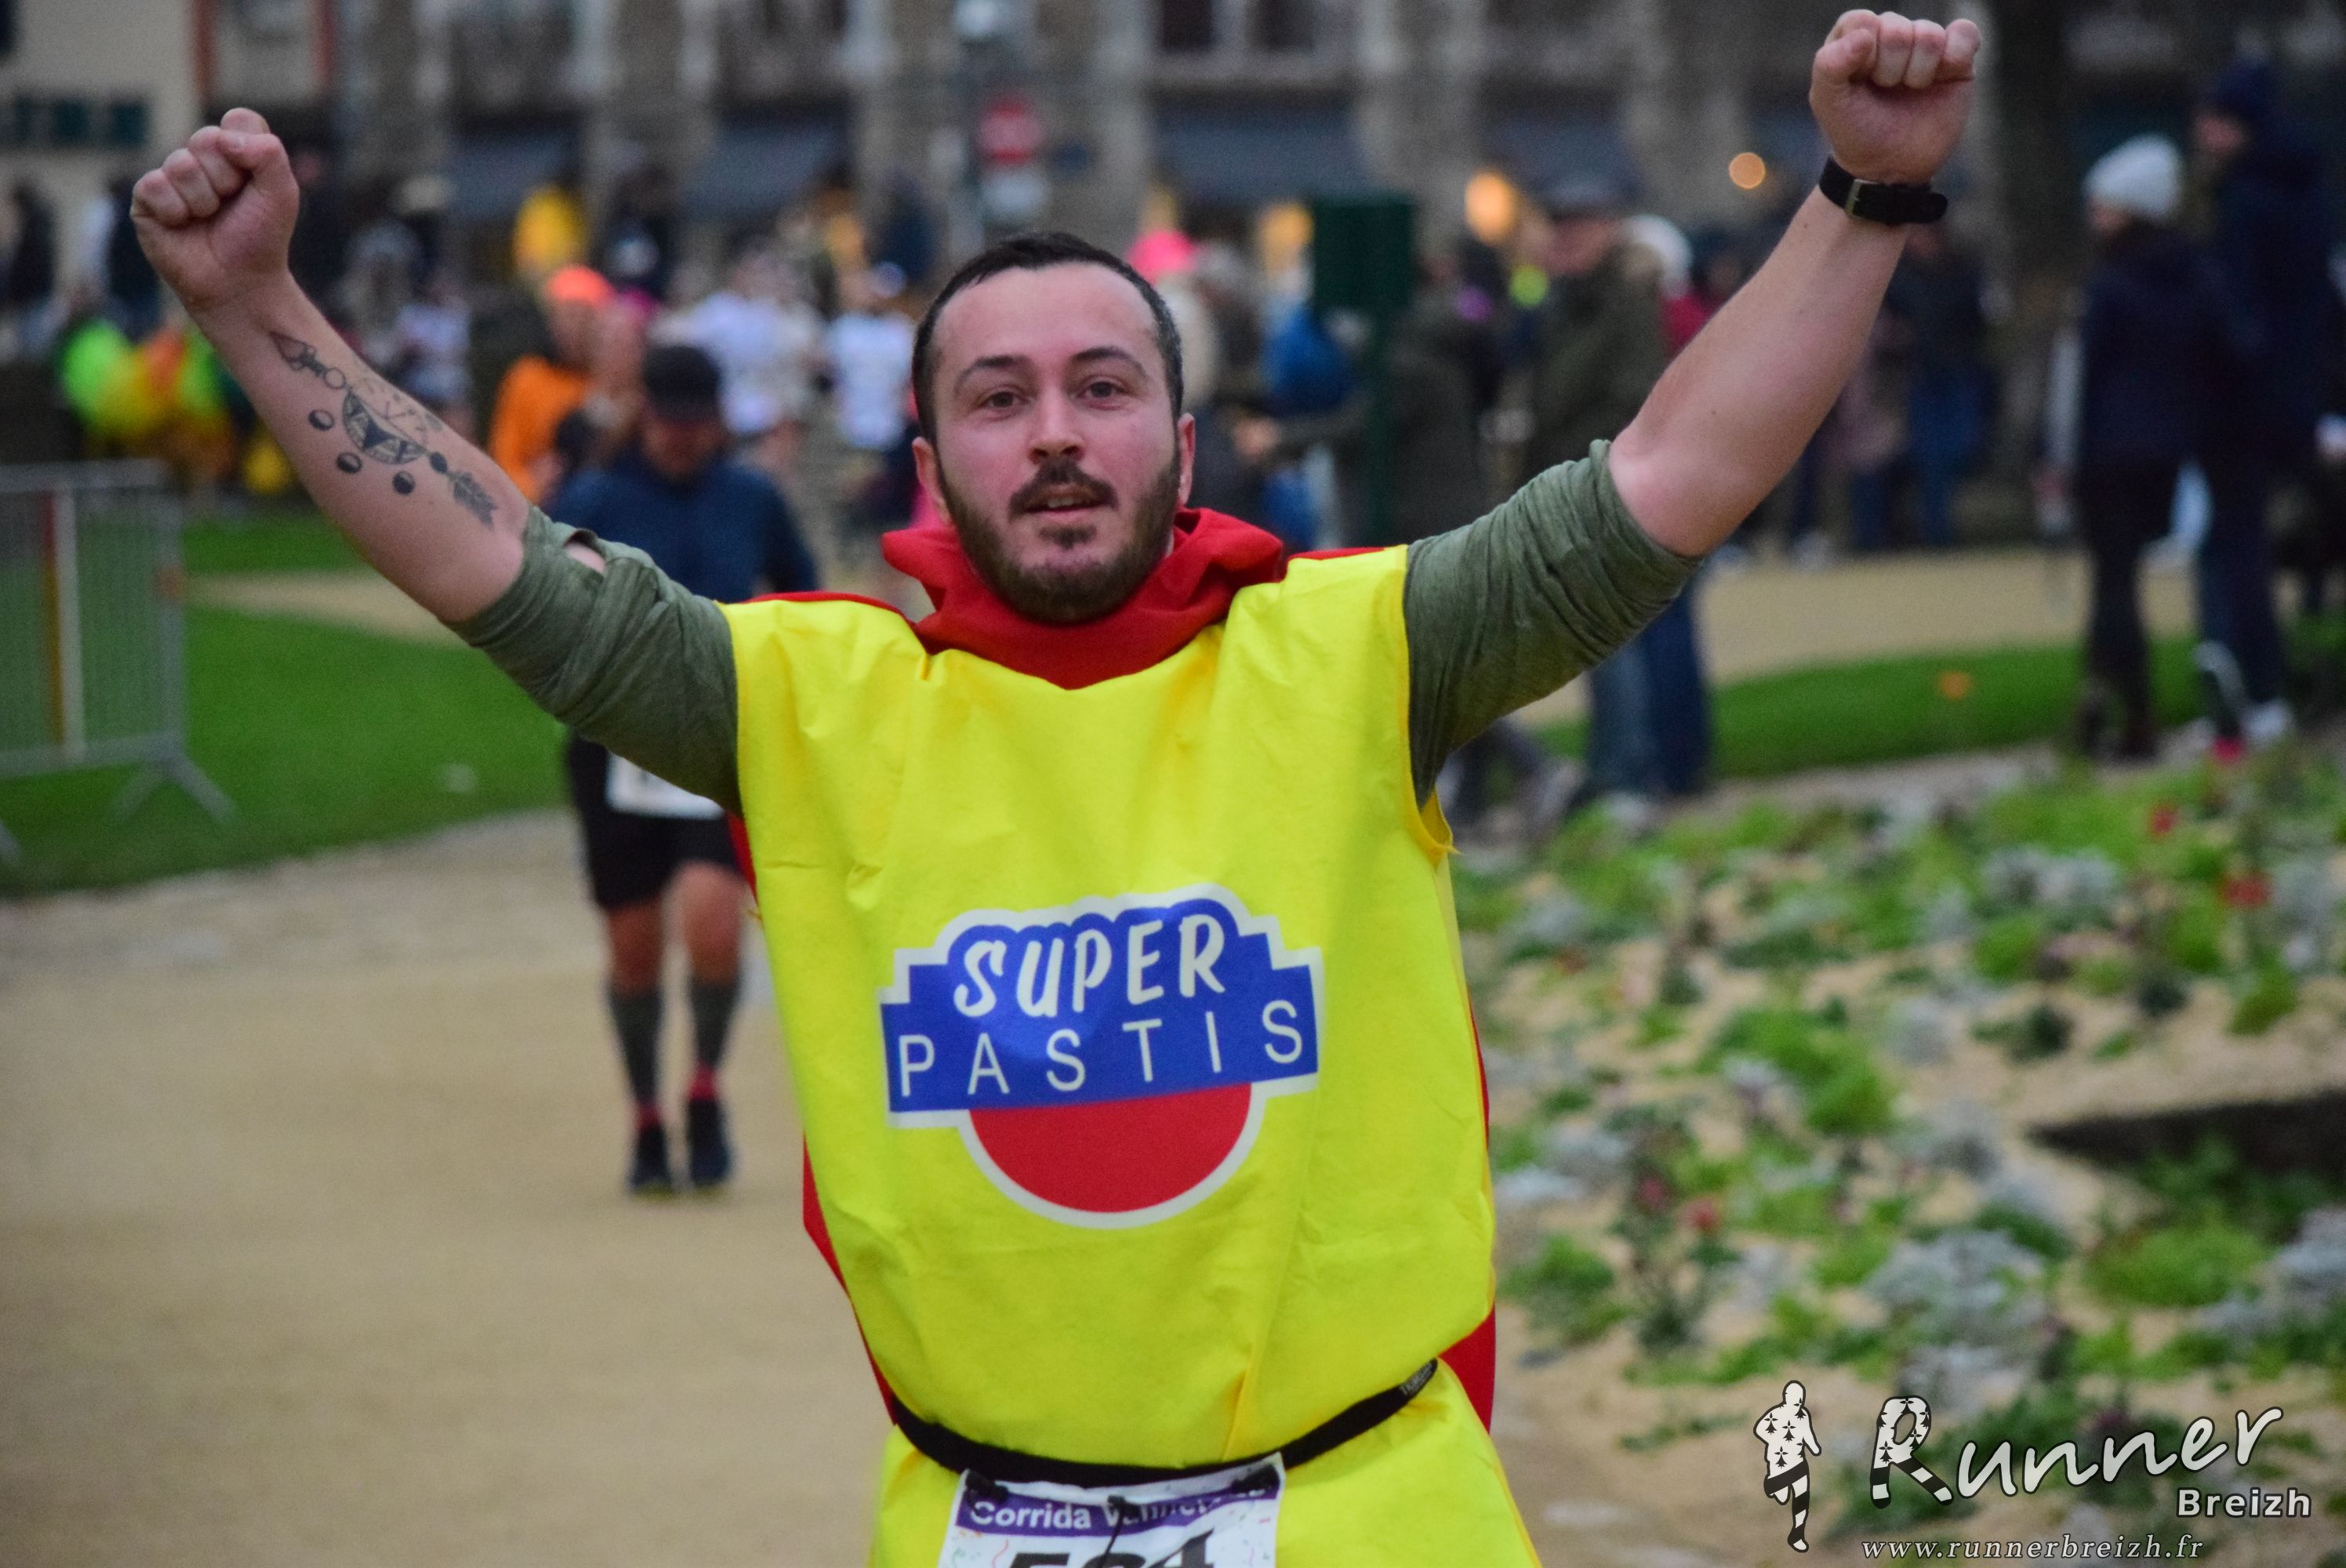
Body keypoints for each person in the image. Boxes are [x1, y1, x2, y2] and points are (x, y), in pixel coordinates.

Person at [132, 13, 1977, 1556]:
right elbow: (500, 569)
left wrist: (1864, 190)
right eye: (998, 399)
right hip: (981, 1514)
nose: (1055, 434)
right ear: (927, 453)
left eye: (1100, 387)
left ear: (1179, 436)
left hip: (1363, 1510)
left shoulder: (1358, 649)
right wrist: (256, 304)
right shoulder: (805, 702)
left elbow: (1669, 477)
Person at [547, 343, 819, 1192]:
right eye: (671, 422)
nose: (683, 439)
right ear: (646, 414)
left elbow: (802, 590)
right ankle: (644, 1116)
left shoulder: (749, 496)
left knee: (712, 924)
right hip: (616, 749)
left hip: (717, 742)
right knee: (633, 951)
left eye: (698, 424)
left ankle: (704, 1088)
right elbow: (545, 602)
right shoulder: (595, 498)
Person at [2043, 136, 2234, 760]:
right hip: (2169, 450)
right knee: (2128, 581)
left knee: (2114, 585)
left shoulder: (2110, 285)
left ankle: (2123, 707)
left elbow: (2083, 381)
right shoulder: (2196, 276)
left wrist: (2059, 459)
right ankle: (2120, 708)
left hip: (2109, 453)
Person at [1527, 176, 1708, 808]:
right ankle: (1652, 766)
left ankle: (1632, 770)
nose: (1565, 240)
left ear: (1608, 230)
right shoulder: (1570, 300)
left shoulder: (1626, 297)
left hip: (1620, 486)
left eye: (1579, 227)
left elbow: (1633, 394)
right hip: (1603, 482)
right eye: (1560, 228)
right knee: (1627, 633)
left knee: (1620, 633)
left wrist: (1585, 463)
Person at [2192, 60, 2333, 746]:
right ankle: (2260, 686)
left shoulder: (2244, 202)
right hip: (2296, 395)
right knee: (2259, 541)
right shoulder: (2306, 194)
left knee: (2232, 546)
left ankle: (2252, 687)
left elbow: (2238, 312)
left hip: (2243, 402)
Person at [487, 263, 612, 504]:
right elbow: (504, 459)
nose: (571, 328)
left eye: (582, 317)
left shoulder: (611, 378)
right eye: (563, 316)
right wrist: (531, 487)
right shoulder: (527, 377)